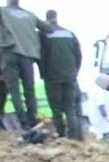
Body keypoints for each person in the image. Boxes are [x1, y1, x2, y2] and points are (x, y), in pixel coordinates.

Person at [0, 0, 50, 130]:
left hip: (9, 51)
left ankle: (23, 122)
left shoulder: (1, 10)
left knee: (14, 90)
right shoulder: (29, 15)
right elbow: (47, 29)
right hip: (28, 54)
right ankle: (32, 120)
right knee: (29, 90)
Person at [40, 9, 81, 140]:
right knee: (70, 106)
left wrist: (43, 73)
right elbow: (78, 55)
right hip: (70, 75)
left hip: (52, 76)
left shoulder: (44, 34)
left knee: (56, 107)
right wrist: (75, 71)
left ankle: (60, 133)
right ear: (56, 18)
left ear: (46, 19)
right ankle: (73, 134)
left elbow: (41, 56)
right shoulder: (69, 33)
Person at [84, 73, 109, 140]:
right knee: (108, 137)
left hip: (93, 119)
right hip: (100, 120)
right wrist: (106, 117)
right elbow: (101, 106)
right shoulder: (99, 92)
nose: (108, 84)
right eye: (107, 82)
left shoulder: (92, 89)